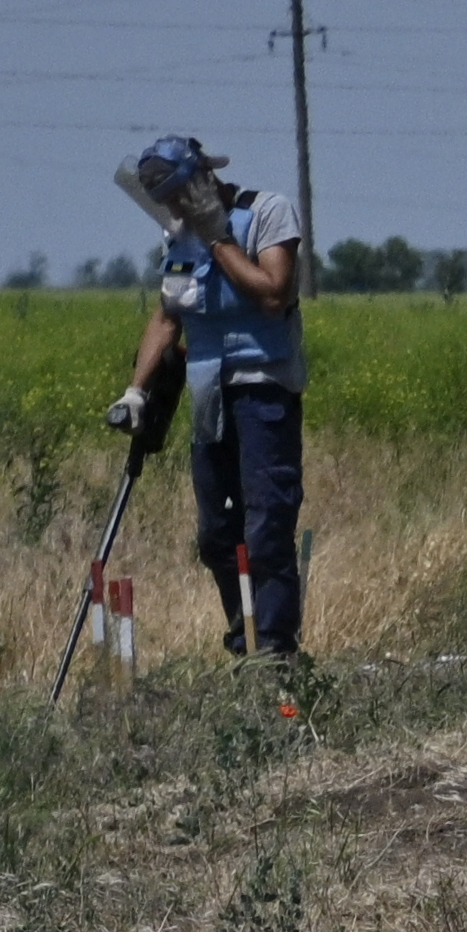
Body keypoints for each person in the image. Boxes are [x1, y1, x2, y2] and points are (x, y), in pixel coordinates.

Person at [106, 133, 307, 670]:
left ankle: (276, 651)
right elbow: (169, 315)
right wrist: (136, 390)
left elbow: (272, 295)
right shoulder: (179, 238)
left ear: (203, 180)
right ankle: (244, 639)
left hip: (263, 388)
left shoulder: (267, 212)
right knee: (218, 533)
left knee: (267, 526)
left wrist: (219, 238)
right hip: (207, 391)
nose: (173, 208)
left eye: (178, 195)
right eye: (166, 200)